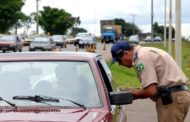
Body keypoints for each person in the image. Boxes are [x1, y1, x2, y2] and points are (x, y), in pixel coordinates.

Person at [111, 41, 190, 122]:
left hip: (171, 99)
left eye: (119, 61)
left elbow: (150, 91)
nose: (120, 64)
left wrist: (131, 94)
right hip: (179, 96)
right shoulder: (145, 52)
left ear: (126, 53)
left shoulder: (141, 57)